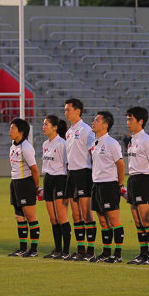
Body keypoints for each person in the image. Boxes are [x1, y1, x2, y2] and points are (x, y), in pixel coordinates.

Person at [89, 111, 126, 263]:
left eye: (96, 120)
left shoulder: (111, 143)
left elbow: (120, 165)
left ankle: (117, 254)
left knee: (114, 220)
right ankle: (106, 252)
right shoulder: (94, 143)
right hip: (97, 184)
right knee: (103, 221)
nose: (93, 122)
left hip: (109, 184)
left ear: (105, 125)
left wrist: (119, 185)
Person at [125, 106, 149, 265]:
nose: (127, 122)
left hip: (143, 180)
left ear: (140, 121)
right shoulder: (133, 139)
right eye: (127, 119)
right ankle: (143, 253)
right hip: (132, 179)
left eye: (130, 119)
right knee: (138, 221)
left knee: (146, 220)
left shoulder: (146, 140)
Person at [64, 98, 96, 261]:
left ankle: (91, 250)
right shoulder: (68, 132)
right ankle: (80, 249)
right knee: (76, 215)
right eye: (65, 110)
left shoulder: (86, 130)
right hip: (72, 174)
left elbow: (93, 152)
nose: (65, 112)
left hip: (84, 174)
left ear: (77, 111)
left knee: (87, 214)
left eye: (68, 109)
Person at [8, 118, 41, 257]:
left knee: (30, 217)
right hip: (15, 183)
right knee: (19, 217)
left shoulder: (26, 147)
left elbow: (35, 170)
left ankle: (33, 250)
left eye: (13, 128)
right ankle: (22, 248)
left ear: (21, 131)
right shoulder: (13, 145)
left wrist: (36, 187)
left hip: (25, 183)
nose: (10, 131)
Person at [40, 115, 71, 259]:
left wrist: (68, 186)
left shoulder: (62, 144)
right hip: (48, 180)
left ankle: (66, 251)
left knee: (62, 217)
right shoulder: (45, 144)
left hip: (60, 180)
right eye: (43, 124)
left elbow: (68, 165)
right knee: (53, 218)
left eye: (46, 124)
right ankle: (57, 249)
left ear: (55, 127)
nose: (43, 127)